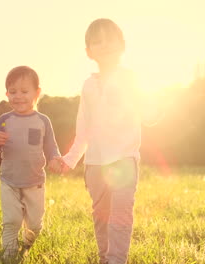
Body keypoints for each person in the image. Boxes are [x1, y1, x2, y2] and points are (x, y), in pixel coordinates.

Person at [56, 18, 159, 264]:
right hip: (95, 165)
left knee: (121, 213)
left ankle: (116, 260)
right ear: (88, 51)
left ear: (122, 45)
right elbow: (83, 129)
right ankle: (105, 258)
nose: (105, 45)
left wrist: (153, 109)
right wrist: (70, 160)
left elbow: (149, 115)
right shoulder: (88, 86)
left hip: (124, 159)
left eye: (110, 40)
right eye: (97, 41)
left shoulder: (131, 79)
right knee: (101, 215)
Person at [0, 65, 61, 262]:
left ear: (37, 93)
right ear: (6, 94)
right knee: (11, 220)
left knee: (35, 224)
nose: (18, 96)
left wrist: (54, 159)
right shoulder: (4, 120)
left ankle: (26, 245)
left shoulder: (43, 121)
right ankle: (9, 255)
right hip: (9, 181)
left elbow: (51, 146)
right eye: (13, 91)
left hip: (35, 182)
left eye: (24, 91)